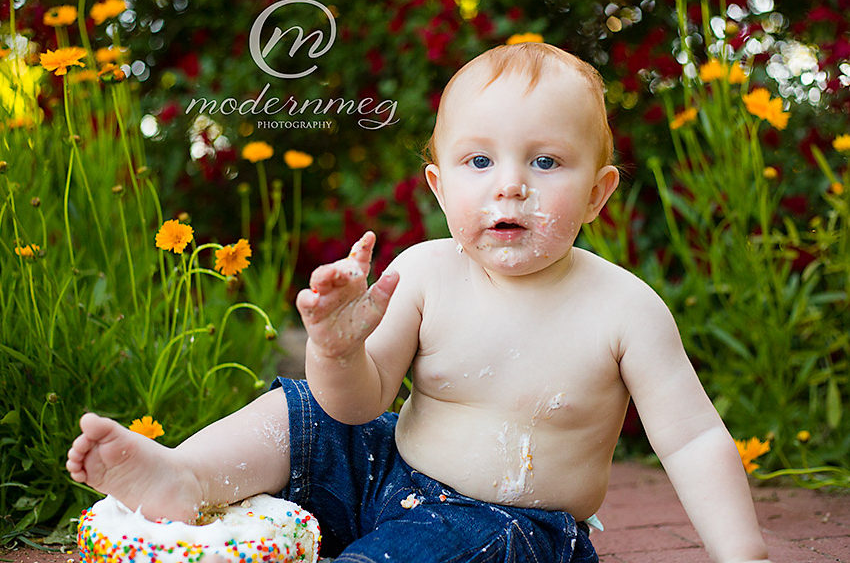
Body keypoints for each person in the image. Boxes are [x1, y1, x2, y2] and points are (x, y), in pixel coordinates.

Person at [66, 42, 771, 563]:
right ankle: (185, 475)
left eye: (546, 162)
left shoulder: (624, 309)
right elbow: (357, 403)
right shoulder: (427, 272)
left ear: (598, 192)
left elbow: (693, 439)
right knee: (304, 412)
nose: (511, 186)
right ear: (439, 187)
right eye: (480, 161)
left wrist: (743, 554)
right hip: (389, 471)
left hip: (507, 527)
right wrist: (337, 350)